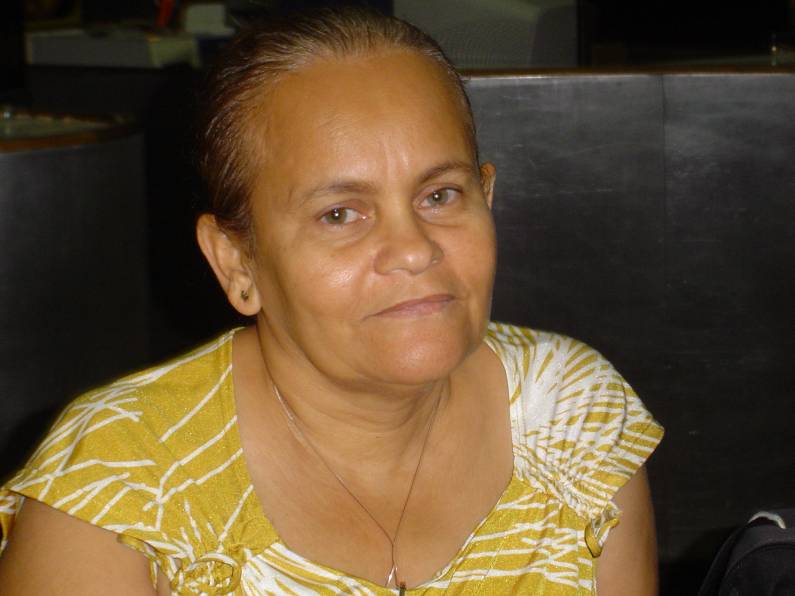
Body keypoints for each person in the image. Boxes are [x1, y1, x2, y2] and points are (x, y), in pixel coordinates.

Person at [0, 8, 663, 595]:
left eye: (439, 195)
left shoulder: (571, 414)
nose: (413, 250)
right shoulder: (121, 483)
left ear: (486, 201)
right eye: (340, 213)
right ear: (236, 262)